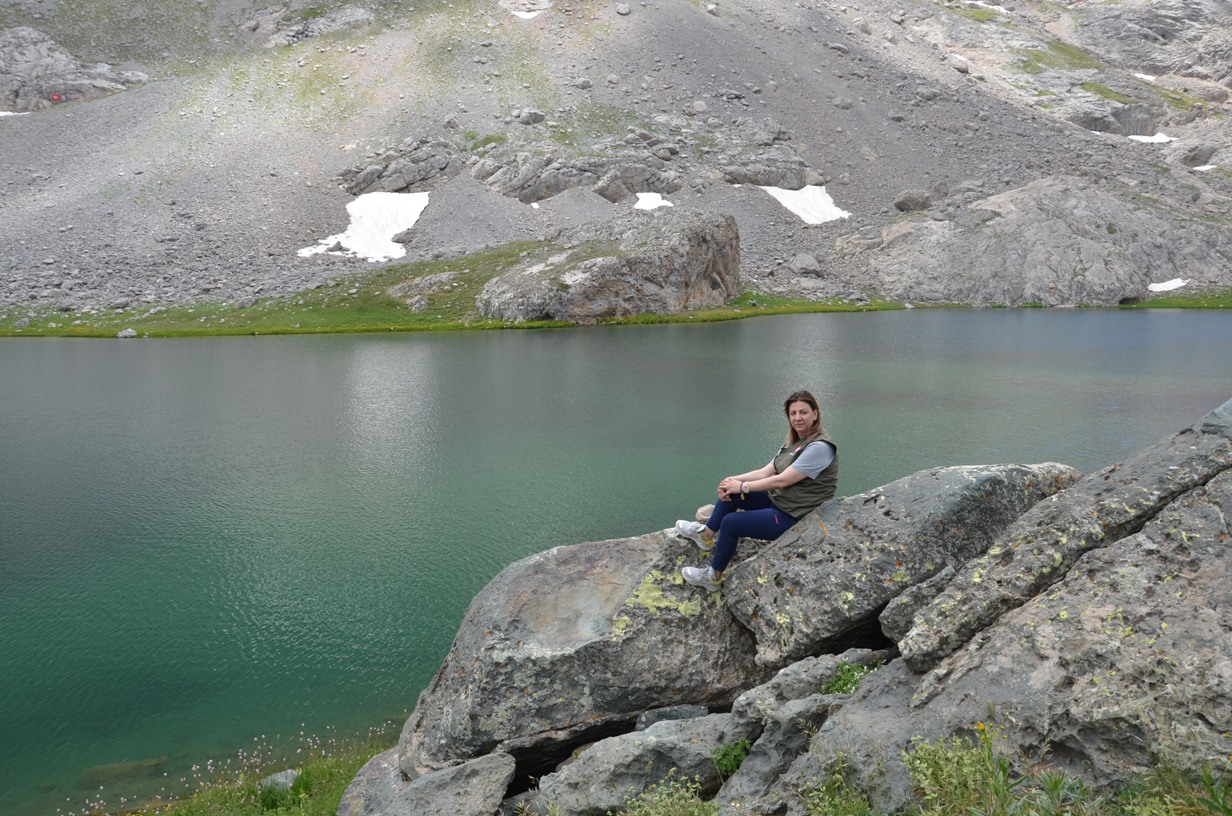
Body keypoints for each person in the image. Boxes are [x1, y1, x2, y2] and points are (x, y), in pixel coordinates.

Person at [675, 389, 838, 592]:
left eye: (803, 412)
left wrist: (743, 486)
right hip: (782, 501)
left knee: (731, 523)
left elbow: (781, 480)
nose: (798, 418)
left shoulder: (819, 447)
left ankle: (713, 576)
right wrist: (731, 481)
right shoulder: (795, 443)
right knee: (733, 494)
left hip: (794, 516)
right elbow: (765, 472)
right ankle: (706, 536)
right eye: (793, 413)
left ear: (815, 414)